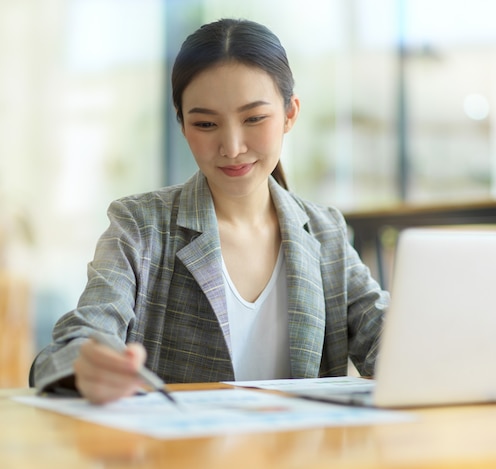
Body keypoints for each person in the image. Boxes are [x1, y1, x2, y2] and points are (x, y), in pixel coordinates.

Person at [31, 18, 389, 404]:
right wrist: (87, 367)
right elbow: (78, 340)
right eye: (205, 123)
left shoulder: (325, 230)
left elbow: (384, 331)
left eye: (254, 118)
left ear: (290, 114)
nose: (232, 147)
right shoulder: (140, 226)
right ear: (182, 125)